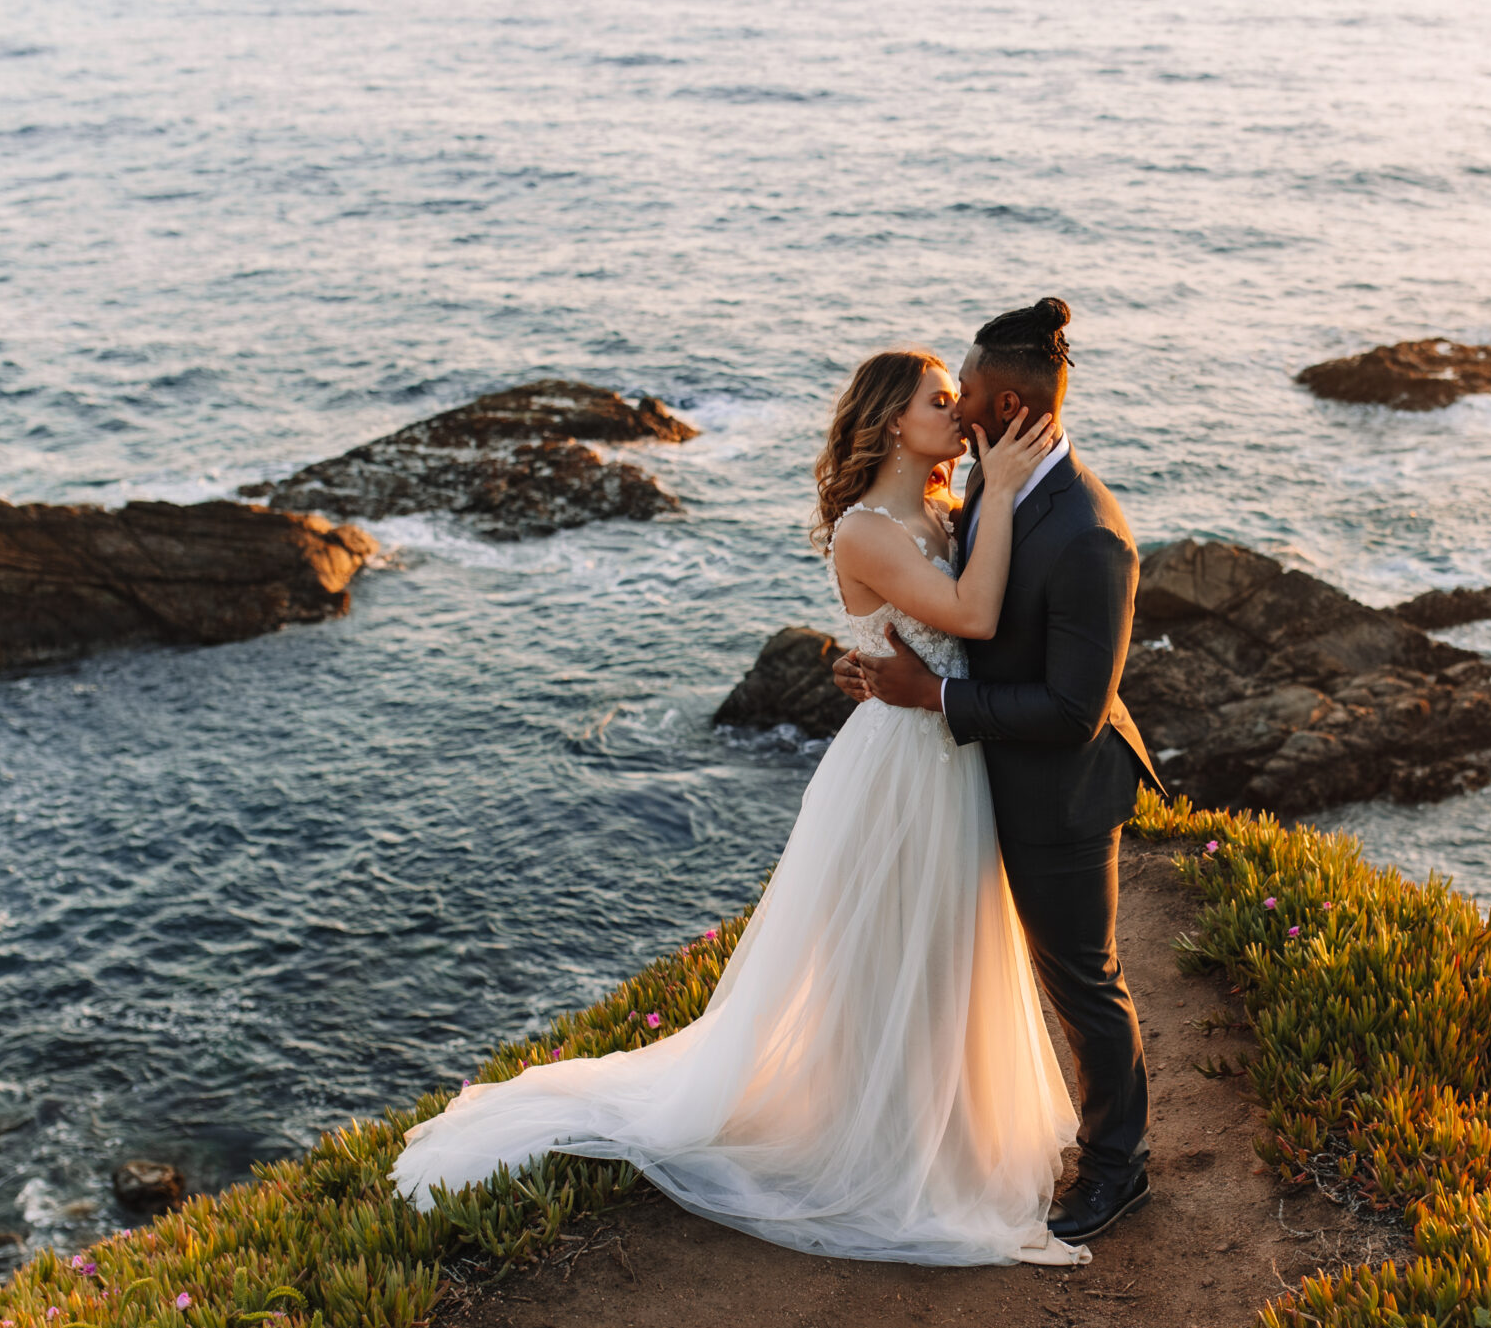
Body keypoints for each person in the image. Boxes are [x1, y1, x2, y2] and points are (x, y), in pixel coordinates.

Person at [393, 347, 1091, 1266]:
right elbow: (970, 615)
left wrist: (992, 494)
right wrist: (999, 488)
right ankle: (888, 1148)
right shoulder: (864, 530)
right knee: (893, 950)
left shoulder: (940, 508)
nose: (960, 413)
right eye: (941, 399)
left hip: (950, 753)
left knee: (948, 946)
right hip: (903, 769)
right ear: (891, 420)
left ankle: (950, 1132)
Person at [835, 297, 1164, 1244]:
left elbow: (1075, 709)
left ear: (1010, 405)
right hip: (973, 776)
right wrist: (865, 654)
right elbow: (934, 603)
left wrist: (927, 696)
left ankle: (1117, 1166)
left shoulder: (1092, 533)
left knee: (1081, 979)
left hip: (1059, 788)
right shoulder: (990, 481)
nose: (959, 402)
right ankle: (940, 1139)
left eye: (968, 391)